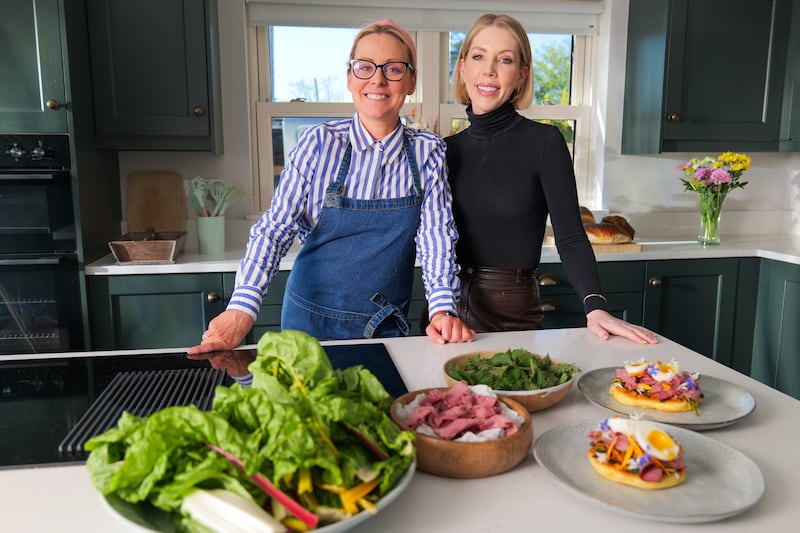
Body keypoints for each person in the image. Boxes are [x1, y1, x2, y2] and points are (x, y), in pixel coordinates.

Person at [189, 19, 475, 355]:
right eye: (364, 67)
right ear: (350, 77)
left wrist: (443, 308)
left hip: (385, 326)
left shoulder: (428, 151)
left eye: (394, 69)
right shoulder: (319, 143)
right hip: (308, 324)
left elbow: (436, 237)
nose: (377, 79)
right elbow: (275, 229)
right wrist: (241, 310)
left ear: (411, 81)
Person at [446, 13, 657, 344]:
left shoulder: (544, 143)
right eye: (478, 56)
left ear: (521, 76)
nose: (489, 69)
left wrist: (596, 307)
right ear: (462, 68)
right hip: (445, 319)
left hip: (511, 316)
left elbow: (571, 237)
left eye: (505, 59)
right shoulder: (443, 150)